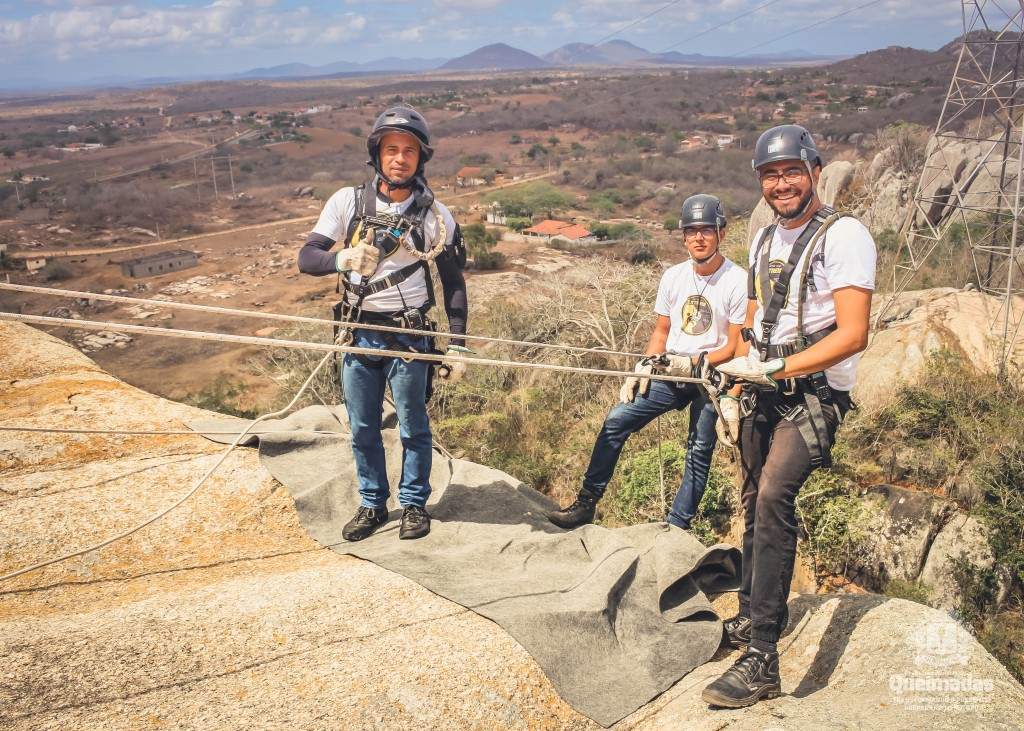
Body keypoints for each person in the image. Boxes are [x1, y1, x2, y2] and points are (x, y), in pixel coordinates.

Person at [701, 125, 876, 708]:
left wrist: (776, 371)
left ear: (813, 172)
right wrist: (735, 366)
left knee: (775, 496)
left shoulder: (844, 236)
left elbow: (853, 333)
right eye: (770, 176)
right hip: (766, 385)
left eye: (791, 172)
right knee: (752, 500)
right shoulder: (762, 241)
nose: (781, 184)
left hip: (815, 393)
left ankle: (763, 663)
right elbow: (755, 317)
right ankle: (752, 618)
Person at [297, 106, 468, 542]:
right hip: (357, 330)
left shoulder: (435, 218)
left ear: (420, 158)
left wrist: (459, 345)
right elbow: (307, 257)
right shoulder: (347, 202)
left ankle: (413, 504)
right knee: (362, 425)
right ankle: (372, 504)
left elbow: (453, 284)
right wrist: (342, 258)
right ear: (377, 153)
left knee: (413, 422)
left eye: (409, 151)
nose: (400, 158)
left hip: (410, 333)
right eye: (391, 149)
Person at [547, 194, 748, 530]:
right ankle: (587, 502)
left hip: (712, 377)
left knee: (698, 451)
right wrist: (643, 365)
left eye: (706, 230)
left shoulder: (737, 281)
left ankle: (676, 528)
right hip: (671, 371)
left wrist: (724, 390)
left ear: (721, 233)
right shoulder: (673, 277)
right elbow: (662, 331)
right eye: (691, 231)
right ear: (683, 236)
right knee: (616, 421)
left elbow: (735, 346)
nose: (698, 238)